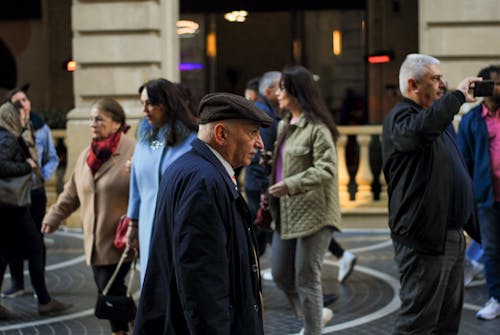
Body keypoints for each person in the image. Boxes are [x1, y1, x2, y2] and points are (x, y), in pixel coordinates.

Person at [134, 92, 271, 335]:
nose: (260, 143)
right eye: (253, 132)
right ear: (221, 134)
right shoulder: (204, 181)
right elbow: (202, 282)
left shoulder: (192, 168)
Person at [381, 53, 481, 334]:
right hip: (425, 238)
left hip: (451, 236)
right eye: (435, 78)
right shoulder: (401, 117)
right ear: (413, 85)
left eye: (442, 78)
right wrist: (457, 98)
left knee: (447, 323)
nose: (443, 84)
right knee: (418, 324)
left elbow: (456, 172)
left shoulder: (438, 121)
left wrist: (473, 227)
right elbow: (418, 131)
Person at [41, 98, 135, 335]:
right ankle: (130, 325)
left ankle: (123, 330)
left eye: (99, 119)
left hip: (121, 238)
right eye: (91, 119)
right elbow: (71, 193)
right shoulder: (86, 155)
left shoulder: (132, 151)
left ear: (116, 123)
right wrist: (53, 217)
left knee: (110, 288)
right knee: (107, 289)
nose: (93, 123)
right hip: (94, 239)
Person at [268, 65, 340, 335]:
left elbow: (327, 168)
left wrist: (290, 184)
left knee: (307, 278)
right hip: (285, 211)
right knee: (279, 273)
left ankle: (312, 328)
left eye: (282, 88)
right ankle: (315, 314)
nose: (278, 93)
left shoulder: (317, 128)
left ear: (297, 93)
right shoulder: (284, 126)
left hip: (316, 213)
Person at [0, 101, 71, 318]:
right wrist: (27, 166)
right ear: (11, 118)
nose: (24, 120)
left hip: (9, 207)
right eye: (20, 116)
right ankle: (44, 301)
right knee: (35, 247)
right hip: (12, 206)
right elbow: (2, 165)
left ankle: (44, 300)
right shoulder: (7, 139)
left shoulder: (8, 137)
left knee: (6, 253)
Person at [125, 78, 198, 285]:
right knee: (153, 285)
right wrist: (133, 222)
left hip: (180, 227)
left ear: (167, 103)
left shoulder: (193, 141)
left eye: (150, 103)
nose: (145, 110)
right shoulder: (145, 141)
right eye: (142, 104)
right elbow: (136, 185)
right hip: (148, 226)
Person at [2, 84, 59, 298]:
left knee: (36, 239)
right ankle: (19, 284)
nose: (22, 105)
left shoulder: (40, 127)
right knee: (17, 241)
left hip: (35, 191)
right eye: (17, 102)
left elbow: (51, 156)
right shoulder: (9, 132)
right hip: (15, 195)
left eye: (24, 100)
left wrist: (42, 174)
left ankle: (40, 287)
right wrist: (27, 167)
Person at [456, 65, 500, 320]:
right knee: (493, 250)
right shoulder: (472, 120)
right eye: (493, 83)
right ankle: (496, 297)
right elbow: (465, 161)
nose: (498, 88)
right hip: (487, 197)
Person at [244, 71, 281, 257]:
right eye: (279, 87)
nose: (283, 92)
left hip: (257, 183)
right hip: (259, 184)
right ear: (268, 91)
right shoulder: (263, 114)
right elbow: (260, 153)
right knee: (259, 232)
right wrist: (265, 188)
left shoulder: (267, 111)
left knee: (260, 232)